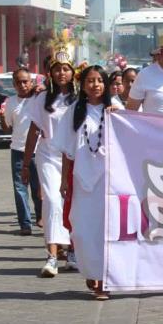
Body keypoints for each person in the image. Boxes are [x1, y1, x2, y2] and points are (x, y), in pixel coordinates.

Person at [56, 66, 116, 300]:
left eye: (100, 80)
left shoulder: (114, 111)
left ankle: (104, 281)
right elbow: (67, 152)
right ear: (83, 85)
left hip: (107, 181)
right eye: (90, 81)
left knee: (104, 230)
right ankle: (90, 271)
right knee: (81, 231)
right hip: (81, 181)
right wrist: (63, 179)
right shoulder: (74, 112)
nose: (95, 85)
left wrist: (117, 115)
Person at [22, 48, 77, 277]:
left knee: (72, 205)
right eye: (57, 70)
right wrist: (25, 164)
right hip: (47, 155)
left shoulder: (80, 99)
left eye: (66, 69)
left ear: (73, 72)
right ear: (50, 73)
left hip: (73, 157)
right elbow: (34, 130)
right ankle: (52, 256)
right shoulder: (41, 98)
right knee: (53, 202)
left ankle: (72, 251)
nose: (61, 73)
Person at [0, 68, 42, 235]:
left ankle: (40, 216)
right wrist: (1, 117)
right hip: (18, 150)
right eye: (19, 82)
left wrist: (42, 88)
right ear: (14, 85)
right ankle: (25, 224)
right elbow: (7, 128)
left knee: (38, 187)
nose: (23, 85)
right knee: (20, 188)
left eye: (26, 81)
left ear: (31, 82)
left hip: (38, 150)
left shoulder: (39, 98)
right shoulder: (11, 102)